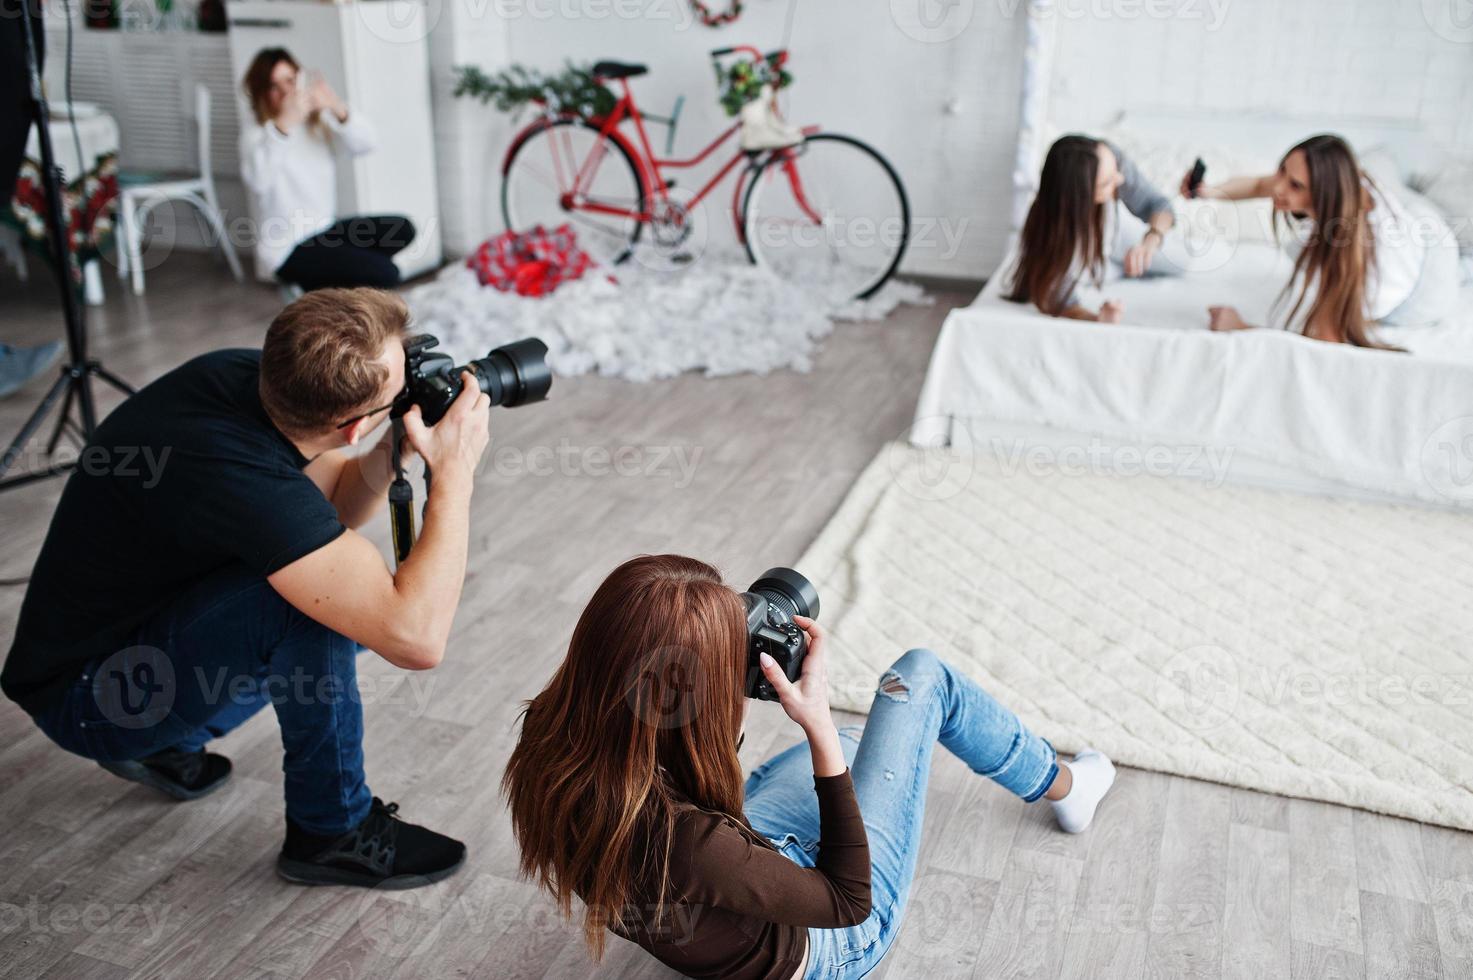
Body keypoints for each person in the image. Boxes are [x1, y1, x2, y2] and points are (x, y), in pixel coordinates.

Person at [2, 288, 490, 889]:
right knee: (310, 609)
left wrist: (398, 446)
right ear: (355, 424)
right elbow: (417, 639)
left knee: (323, 581)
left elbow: (334, 503)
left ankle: (163, 742)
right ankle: (331, 831)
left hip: (110, 649)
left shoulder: (240, 377)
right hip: (91, 699)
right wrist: (456, 475)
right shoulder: (242, 478)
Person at [502, 555, 1117, 980]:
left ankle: (845, 747)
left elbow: (699, 795)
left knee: (859, 742)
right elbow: (851, 903)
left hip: (736, 892)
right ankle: (1069, 788)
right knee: (917, 681)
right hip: (832, 943)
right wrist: (815, 721)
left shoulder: (550, 743)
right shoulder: (690, 842)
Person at [1188, 134, 1460, 347]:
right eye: (1282, 171)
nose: (1278, 187)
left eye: (1295, 186)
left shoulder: (1344, 252)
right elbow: (1261, 185)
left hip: (1424, 290)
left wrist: (1238, 327)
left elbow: (1324, 346)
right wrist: (1208, 192)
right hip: (1417, 228)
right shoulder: (1345, 182)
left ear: (1326, 193)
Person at [239, 48, 416, 291]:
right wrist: (284, 125)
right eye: (273, 86)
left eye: (290, 80)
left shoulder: (317, 125)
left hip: (324, 230)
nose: (285, 92)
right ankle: (335, 281)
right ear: (262, 94)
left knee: (402, 228)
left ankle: (331, 281)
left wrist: (335, 106)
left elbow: (367, 143)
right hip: (287, 247)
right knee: (387, 273)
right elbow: (258, 181)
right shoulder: (258, 135)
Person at [1006, 134, 1177, 324]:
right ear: (1080, 199)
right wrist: (1097, 318)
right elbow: (1058, 300)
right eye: (1106, 184)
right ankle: (1110, 266)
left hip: (1121, 233)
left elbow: (1160, 205)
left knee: (1180, 261)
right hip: (1092, 247)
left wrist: (1150, 242)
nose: (1120, 180)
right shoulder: (1058, 236)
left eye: (1116, 171)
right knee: (1083, 272)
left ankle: (1115, 264)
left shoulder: (1108, 158)